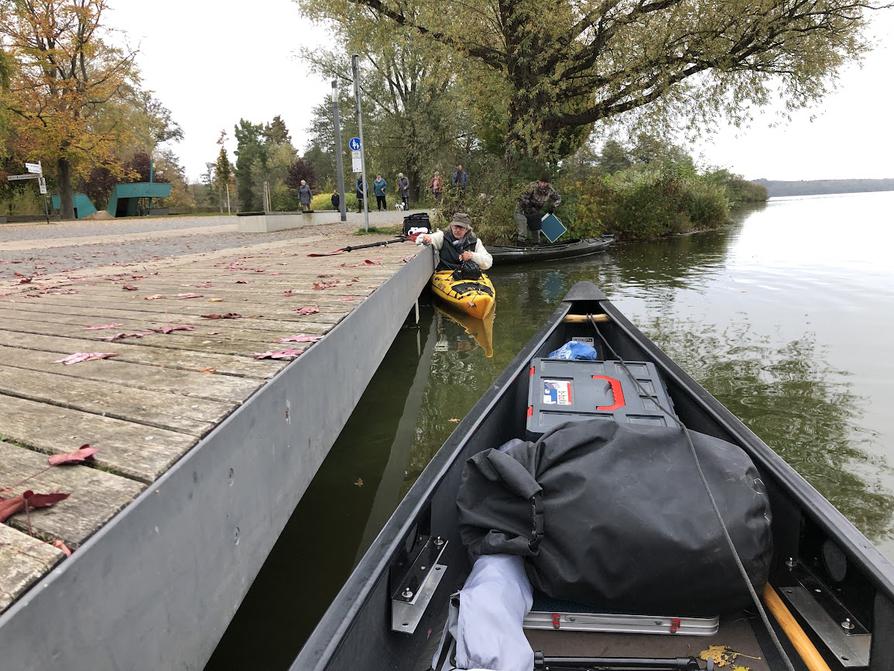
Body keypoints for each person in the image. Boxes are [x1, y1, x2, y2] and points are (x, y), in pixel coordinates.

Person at [417, 212, 492, 273]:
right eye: (455, 227)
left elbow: (488, 262)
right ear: (451, 226)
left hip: (469, 274)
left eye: (461, 228)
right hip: (446, 274)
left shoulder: (475, 241)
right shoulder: (442, 236)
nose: (457, 230)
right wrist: (425, 239)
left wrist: (472, 256)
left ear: (467, 229)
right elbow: (420, 240)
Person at [517, 177, 561, 243]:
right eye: (541, 182)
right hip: (521, 210)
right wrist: (529, 204)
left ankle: (536, 247)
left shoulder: (550, 190)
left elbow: (558, 198)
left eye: (545, 183)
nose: (543, 184)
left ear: (547, 183)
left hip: (534, 212)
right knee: (523, 232)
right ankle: (520, 246)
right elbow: (521, 197)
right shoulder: (532, 186)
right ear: (539, 181)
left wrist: (553, 206)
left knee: (536, 232)